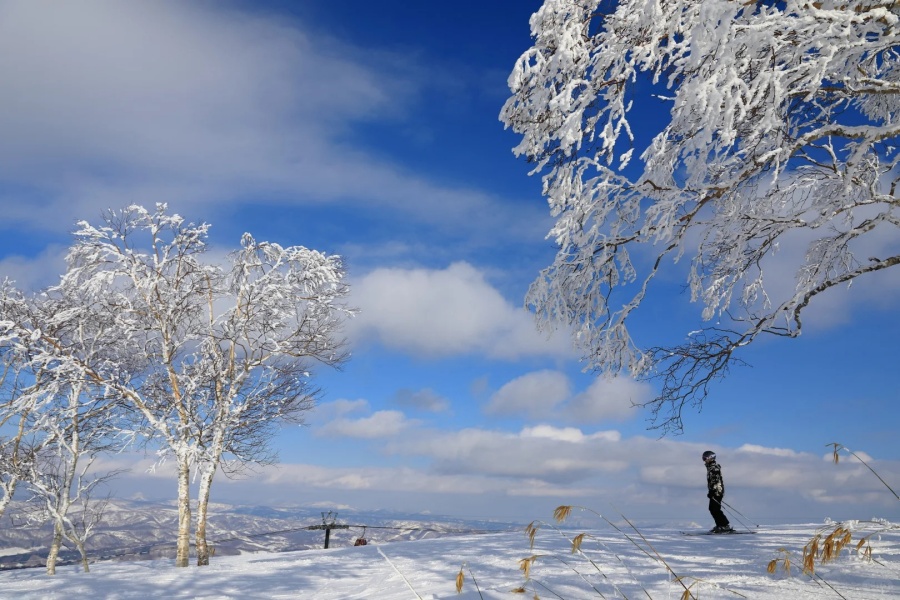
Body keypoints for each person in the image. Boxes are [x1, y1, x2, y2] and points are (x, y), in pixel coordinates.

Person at [702, 450, 733, 533]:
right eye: (703, 458)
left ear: (710, 458)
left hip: (717, 491)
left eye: (705, 457)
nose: (704, 459)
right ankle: (721, 525)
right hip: (715, 491)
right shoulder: (710, 467)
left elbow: (715, 480)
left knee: (714, 509)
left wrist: (712, 491)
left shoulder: (714, 468)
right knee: (713, 508)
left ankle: (724, 525)